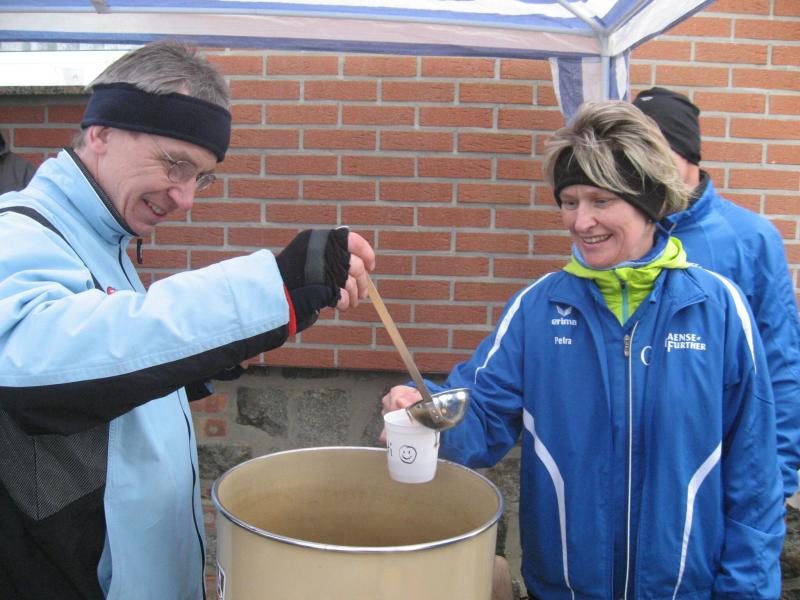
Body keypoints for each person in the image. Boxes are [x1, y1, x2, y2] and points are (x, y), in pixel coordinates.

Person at [0, 41, 375, 600]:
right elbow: (34, 366)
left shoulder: (102, 237)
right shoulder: (18, 230)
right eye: (175, 164)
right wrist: (269, 286)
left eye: (201, 177)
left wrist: (220, 350)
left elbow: (110, 375)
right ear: (100, 132)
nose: (185, 198)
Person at [382, 101, 785, 599]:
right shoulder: (538, 308)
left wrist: (746, 592)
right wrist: (424, 410)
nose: (580, 221)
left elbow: (754, 478)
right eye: (569, 201)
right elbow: (481, 418)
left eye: (600, 200)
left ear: (648, 200)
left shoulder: (718, 309)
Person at [633, 86, 800, 499]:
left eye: (657, 151)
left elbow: (780, 360)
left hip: (718, 461)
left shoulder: (750, 238)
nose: (647, 168)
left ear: (688, 153)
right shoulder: (621, 232)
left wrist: (778, 476)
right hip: (633, 464)